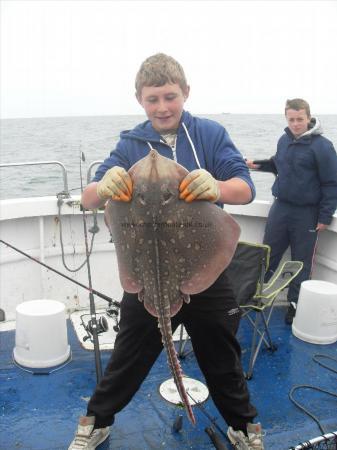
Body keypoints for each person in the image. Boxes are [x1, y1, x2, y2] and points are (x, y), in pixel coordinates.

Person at [69, 53, 264, 450]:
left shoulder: (209, 134)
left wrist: (218, 187)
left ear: (185, 93)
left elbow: (245, 188)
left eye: (170, 97)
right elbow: (91, 196)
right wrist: (104, 185)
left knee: (223, 356)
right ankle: (96, 421)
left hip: (207, 271)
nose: (162, 107)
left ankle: (244, 428)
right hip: (147, 271)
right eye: (153, 99)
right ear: (140, 100)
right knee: (127, 356)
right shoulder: (130, 143)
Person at [246, 98, 337, 325]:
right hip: (281, 208)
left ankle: (295, 305)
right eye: (291, 119)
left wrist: (325, 216)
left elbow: (331, 183)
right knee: (268, 254)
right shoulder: (283, 141)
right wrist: (256, 164)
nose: (296, 124)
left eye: (300, 119)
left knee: (301, 262)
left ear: (309, 118)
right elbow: (277, 164)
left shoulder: (323, 147)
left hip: (307, 213)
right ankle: (256, 295)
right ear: (286, 118)